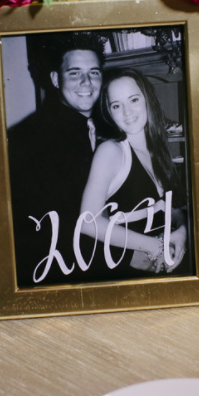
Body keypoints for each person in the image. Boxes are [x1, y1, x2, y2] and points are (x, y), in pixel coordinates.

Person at [7, 32, 107, 287]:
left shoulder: (98, 124)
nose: (87, 82)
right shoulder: (34, 136)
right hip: (62, 272)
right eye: (74, 73)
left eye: (94, 72)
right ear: (54, 78)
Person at [79, 68, 188, 277]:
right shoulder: (111, 151)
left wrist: (182, 232)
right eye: (117, 105)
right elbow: (88, 222)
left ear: (148, 100)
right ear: (109, 112)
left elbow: (169, 207)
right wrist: (154, 246)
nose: (127, 113)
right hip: (126, 267)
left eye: (134, 100)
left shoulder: (157, 149)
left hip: (161, 263)